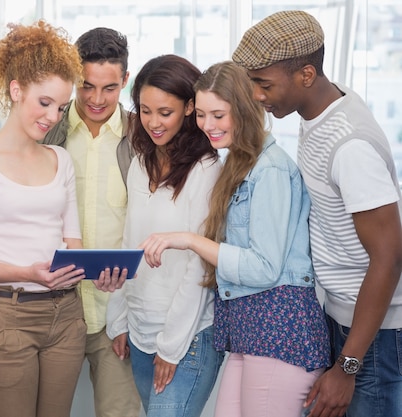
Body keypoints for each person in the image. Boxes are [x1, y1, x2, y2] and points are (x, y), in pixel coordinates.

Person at [0, 20, 120, 417]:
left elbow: (71, 242)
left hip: (65, 316)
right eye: (44, 103)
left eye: (60, 106)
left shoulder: (60, 159)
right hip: (5, 316)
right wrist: (28, 271)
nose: (53, 116)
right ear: (16, 89)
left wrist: (96, 270)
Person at [232, 10, 402, 417]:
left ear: (306, 75)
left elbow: (390, 256)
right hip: (342, 317)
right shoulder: (319, 112)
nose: (257, 95)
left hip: (373, 335)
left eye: (264, 84)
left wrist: (348, 365)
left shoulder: (350, 146)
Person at [140, 60, 331, 416]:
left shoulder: (270, 170)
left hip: (279, 329)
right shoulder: (239, 165)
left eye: (219, 115)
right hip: (249, 329)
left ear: (243, 111)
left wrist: (189, 240)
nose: (207, 126)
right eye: (201, 115)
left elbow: (264, 267)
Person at [106, 54, 223, 417]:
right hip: (140, 330)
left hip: (187, 337)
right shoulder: (141, 161)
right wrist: (119, 320)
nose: (153, 123)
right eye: (144, 110)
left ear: (189, 107)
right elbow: (131, 242)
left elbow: (200, 267)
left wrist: (172, 348)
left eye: (165, 112)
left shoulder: (206, 169)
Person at [42, 27, 142, 417]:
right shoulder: (47, 131)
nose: (96, 99)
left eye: (109, 88)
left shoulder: (144, 138)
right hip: (55, 307)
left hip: (117, 311)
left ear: (125, 82)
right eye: (86, 86)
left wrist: (137, 317)